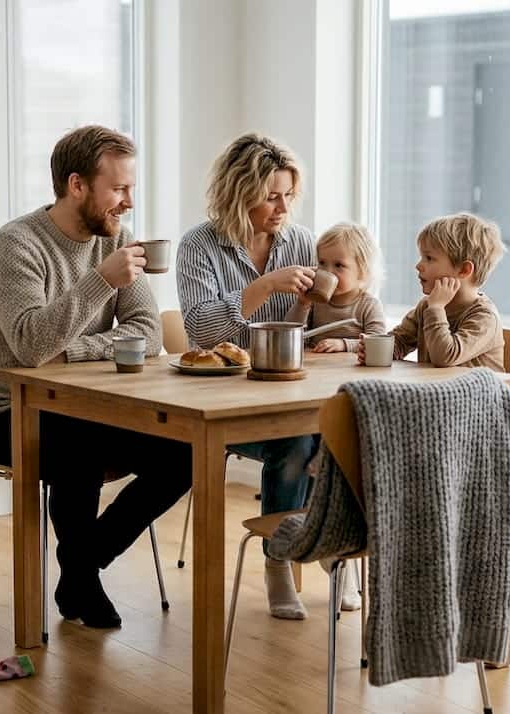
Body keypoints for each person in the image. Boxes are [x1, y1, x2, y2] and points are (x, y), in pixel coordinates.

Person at [0, 125, 191, 629]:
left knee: (185, 450)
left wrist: (70, 354)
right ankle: (83, 583)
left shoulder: (120, 238)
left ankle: (80, 562)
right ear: (77, 185)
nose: (129, 202)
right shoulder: (16, 245)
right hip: (7, 413)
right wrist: (101, 281)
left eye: (131, 188)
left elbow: (147, 334)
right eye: (119, 188)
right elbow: (28, 344)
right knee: (80, 446)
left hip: (89, 406)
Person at [175, 133, 323, 620]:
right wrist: (263, 286)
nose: (283, 208)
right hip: (223, 400)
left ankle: (327, 548)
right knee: (297, 444)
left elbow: (312, 326)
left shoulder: (300, 242)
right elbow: (200, 329)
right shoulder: (199, 245)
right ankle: (278, 562)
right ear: (240, 193)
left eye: (288, 196)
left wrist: (319, 305)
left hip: (288, 388)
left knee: (335, 434)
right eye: (271, 196)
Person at [361, 212, 506, 370]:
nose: (419, 265)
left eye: (429, 258)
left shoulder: (484, 317)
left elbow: (445, 357)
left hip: (479, 393)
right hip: (438, 391)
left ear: (464, 270)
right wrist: (376, 351)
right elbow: (401, 342)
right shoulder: (427, 306)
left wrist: (436, 309)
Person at [284, 222, 387, 351]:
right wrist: (302, 304)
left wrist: (344, 345)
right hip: (318, 365)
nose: (327, 271)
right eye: (322, 263)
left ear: (363, 271)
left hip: (351, 369)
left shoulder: (368, 305)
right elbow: (289, 333)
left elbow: (378, 342)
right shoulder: (315, 301)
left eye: (338, 265)